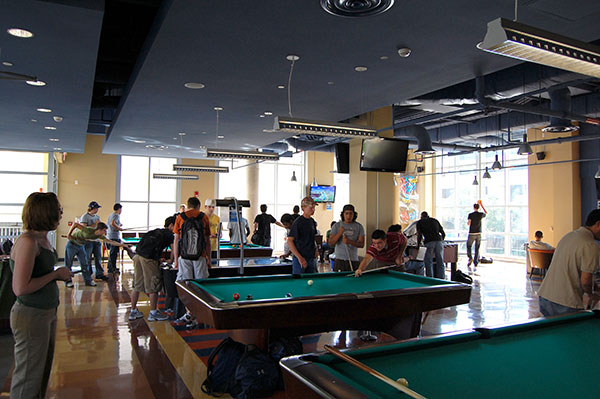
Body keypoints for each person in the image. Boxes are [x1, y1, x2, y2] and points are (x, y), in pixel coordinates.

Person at [10, 192, 72, 399]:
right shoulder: (28, 241)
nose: (61, 214)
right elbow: (20, 288)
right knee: (28, 376)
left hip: (45, 312)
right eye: (58, 210)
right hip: (30, 314)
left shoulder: (41, 239)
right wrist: (55, 274)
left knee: (40, 373)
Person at [538, 210, 600, 317]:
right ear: (598, 224)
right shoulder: (590, 245)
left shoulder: (569, 236)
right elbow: (585, 281)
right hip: (566, 302)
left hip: (545, 296)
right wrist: (591, 294)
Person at [173, 197, 211, 328]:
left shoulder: (180, 217)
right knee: (201, 286)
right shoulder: (204, 217)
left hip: (184, 257)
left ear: (188, 206)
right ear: (199, 206)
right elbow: (207, 241)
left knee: (186, 286)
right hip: (200, 257)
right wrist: (209, 259)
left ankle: (190, 312)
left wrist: (176, 260)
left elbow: (176, 240)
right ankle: (199, 315)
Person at [128, 216, 175, 322]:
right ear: (171, 225)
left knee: (137, 284)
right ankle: (153, 313)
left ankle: (133, 311)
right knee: (154, 284)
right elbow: (174, 249)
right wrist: (171, 261)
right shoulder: (169, 235)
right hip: (148, 259)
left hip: (138, 256)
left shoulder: (157, 231)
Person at [66, 222, 131, 287]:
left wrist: (123, 245)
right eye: (104, 231)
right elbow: (75, 224)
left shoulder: (99, 236)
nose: (105, 232)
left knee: (85, 264)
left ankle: (88, 281)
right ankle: (68, 281)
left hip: (81, 246)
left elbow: (110, 242)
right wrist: (69, 234)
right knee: (69, 263)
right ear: (99, 230)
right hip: (72, 244)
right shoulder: (88, 230)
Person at [328, 204, 365, 272]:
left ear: (354, 214)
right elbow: (331, 243)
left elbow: (362, 244)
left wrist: (349, 242)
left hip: (353, 260)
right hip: (339, 260)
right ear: (343, 214)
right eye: (346, 213)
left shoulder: (359, 227)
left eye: (351, 213)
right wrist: (339, 233)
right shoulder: (337, 226)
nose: (348, 216)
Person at [287, 196, 319, 274]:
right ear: (303, 208)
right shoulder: (298, 222)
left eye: (314, 208)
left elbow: (312, 238)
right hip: (299, 259)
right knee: (298, 282)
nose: (313, 210)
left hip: (311, 257)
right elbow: (290, 241)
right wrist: (300, 258)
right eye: (311, 207)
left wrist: (316, 249)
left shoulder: (312, 221)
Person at [80, 201, 107, 281]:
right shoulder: (85, 217)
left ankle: (99, 273)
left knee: (98, 257)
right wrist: (94, 224)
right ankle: (88, 274)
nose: (97, 210)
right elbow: (83, 228)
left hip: (97, 240)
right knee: (88, 258)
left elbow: (99, 227)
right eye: (96, 208)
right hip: (88, 240)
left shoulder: (97, 217)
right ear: (92, 208)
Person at [416, 211, 446, 279]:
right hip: (438, 241)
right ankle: (442, 277)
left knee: (428, 261)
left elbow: (419, 235)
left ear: (421, 216)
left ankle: (430, 278)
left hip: (429, 242)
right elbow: (443, 233)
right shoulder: (435, 220)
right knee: (440, 260)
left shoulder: (420, 222)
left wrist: (418, 245)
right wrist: (441, 241)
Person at [466, 200, 487, 271]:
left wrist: (469, 223)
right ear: (478, 207)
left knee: (469, 246)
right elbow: (486, 213)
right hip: (478, 233)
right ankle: (476, 262)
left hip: (472, 233)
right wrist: (481, 204)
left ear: (473, 207)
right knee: (477, 248)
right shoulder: (480, 214)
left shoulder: (470, 215)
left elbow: (468, 223)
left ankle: (470, 257)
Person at [106, 203, 125, 274]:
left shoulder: (111, 215)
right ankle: (111, 269)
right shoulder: (116, 215)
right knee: (113, 254)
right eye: (121, 209)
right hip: (114, 237)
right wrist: (120, 228)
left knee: (113, 253)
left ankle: (112, 267)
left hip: (110, 236)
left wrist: (119, 225)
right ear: (119, 209)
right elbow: (112, 223)